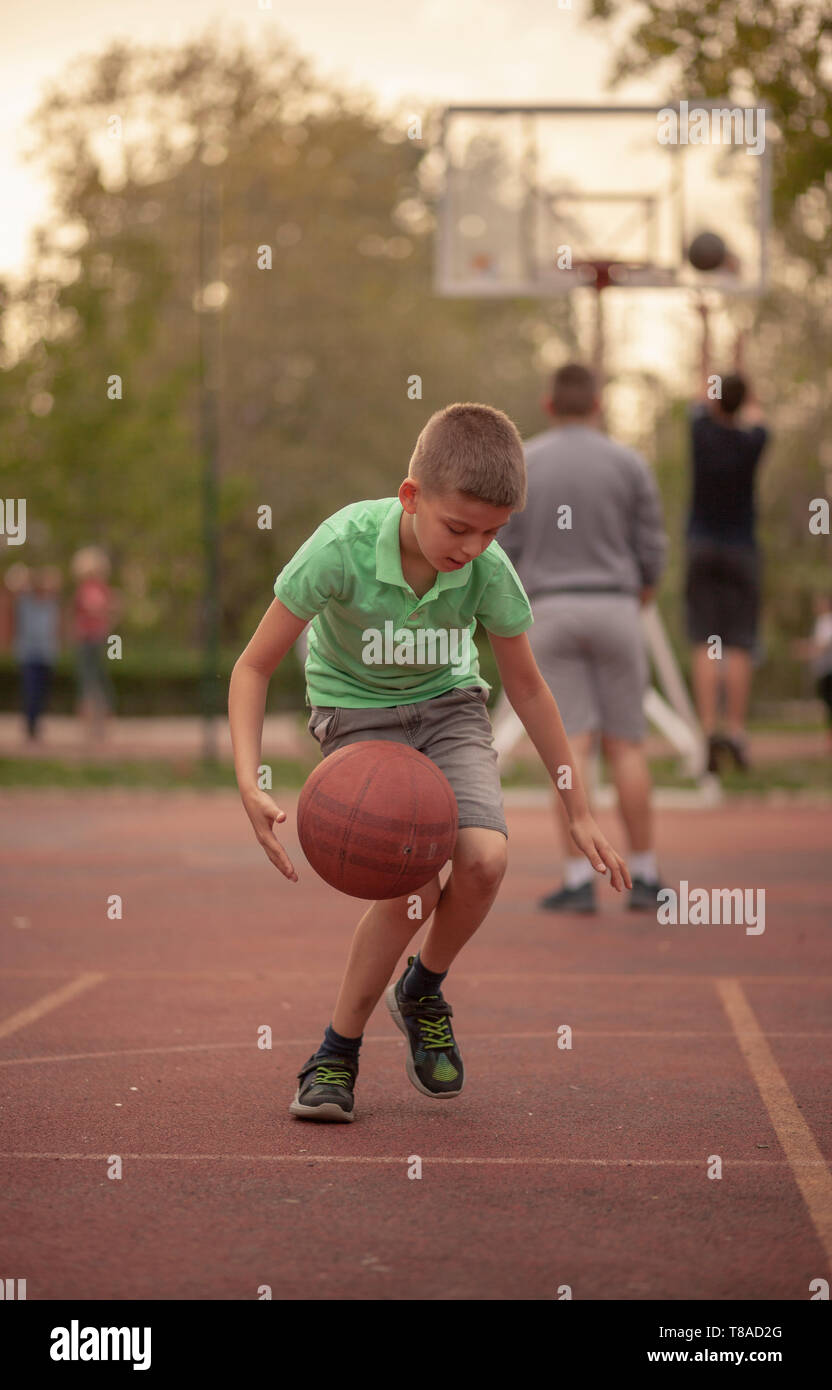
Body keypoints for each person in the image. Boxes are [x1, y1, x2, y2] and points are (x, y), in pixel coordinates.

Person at [229, 402, 631, 1123]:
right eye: (458, 527)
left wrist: (579, 808)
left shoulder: (487, 570)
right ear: (411, 497)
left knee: (484, 861)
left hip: (449, 708)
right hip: (356, 712)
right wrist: (248, 781)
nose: (473, 546)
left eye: (492, 532)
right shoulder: (340, 547)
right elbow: (253, 667)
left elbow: (529, 688)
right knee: (410, 881)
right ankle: (335, 1054)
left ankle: (421, 989)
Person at [498, 363, 668, 914]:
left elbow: (507, 541)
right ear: (599, 403)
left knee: (570, 751)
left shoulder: (528, 461)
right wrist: (640, 590)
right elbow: (652, 545)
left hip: (548, 609)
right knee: (628, 745)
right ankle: (643, 875)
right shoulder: (629, 462)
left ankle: (578, 879)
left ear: (549, 405)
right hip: (616, 606)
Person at [686, 313, 770, 772]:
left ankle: (707, 730)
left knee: (705, 641)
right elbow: (745, 400)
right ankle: (736, 729)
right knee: (736, 643)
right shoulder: (755, 438)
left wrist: (706, 330)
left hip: (702, 547)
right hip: (741, 549)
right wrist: (742, 347)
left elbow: (707, 388)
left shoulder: (701, 430)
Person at [7, 565, 62, 740]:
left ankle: (36, 723)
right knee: (30, 690)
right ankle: (30, 725)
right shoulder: (25, 603)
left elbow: (56, 627)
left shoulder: (52, 604)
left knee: (42, 691)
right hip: (28, 652)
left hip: (46, 653)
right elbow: (13, 592)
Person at [71, 546, 117, 741]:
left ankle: (102, 723)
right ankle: (89, 725)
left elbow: (111, 608)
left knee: (98, 678)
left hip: (97, 639)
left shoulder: (102, 589)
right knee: (86, 680)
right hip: (85, 638)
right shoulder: (84, 589)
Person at [792, 595, 832, 755]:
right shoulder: (822, 622)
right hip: (824, 671)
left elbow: (822, 645)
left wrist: (804, 649)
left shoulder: (826, 621)